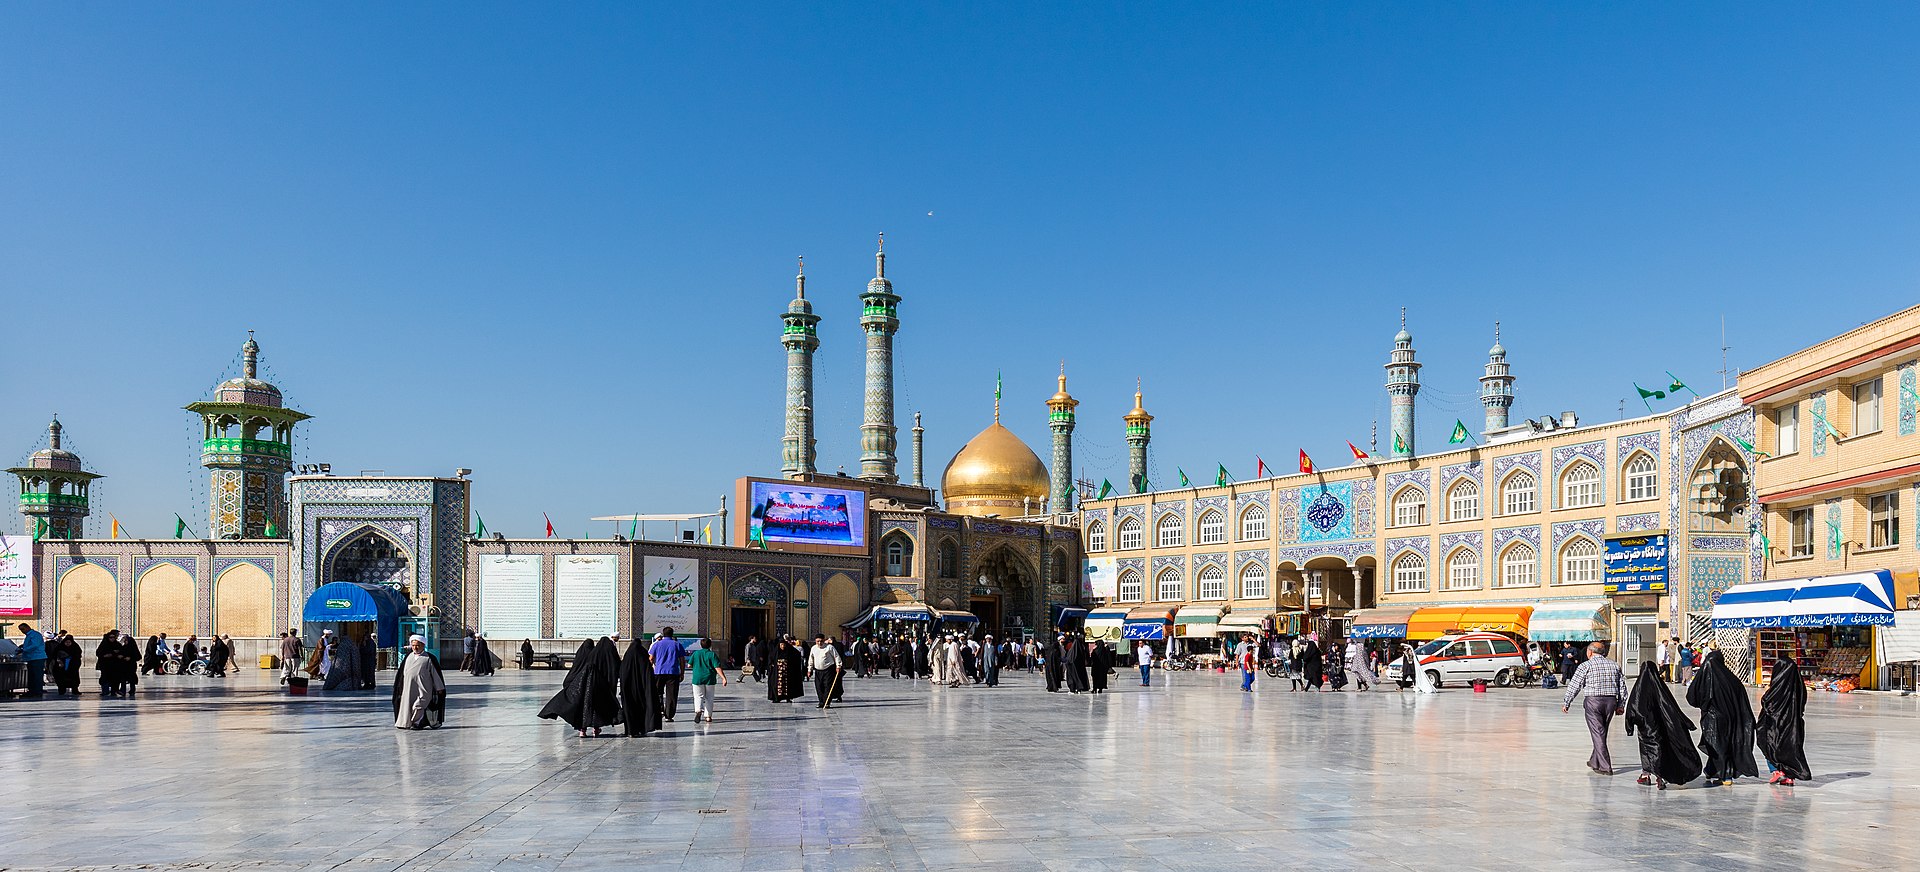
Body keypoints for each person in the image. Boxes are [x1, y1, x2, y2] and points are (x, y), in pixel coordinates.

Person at [1624, 660, 1701, 789]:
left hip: (1645, 728)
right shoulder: (1661, 688)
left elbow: (1633, 707)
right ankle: (1659, 776)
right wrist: (1686, 722)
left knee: (1647, 750)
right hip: (1661, 726)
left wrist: (1630, 726)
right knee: (1659, 748)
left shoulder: (1639, 688)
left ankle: (1646, 774)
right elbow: (1672, 707)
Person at [1687, 649, 1758, 786]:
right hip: (1731, 719)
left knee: (1718, 746)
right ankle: (1711, 770)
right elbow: (1741, 701)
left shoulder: (1705, 678)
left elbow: (1692, 697)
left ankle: (1726, 775)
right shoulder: (1732, 680)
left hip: (1712, 719)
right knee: (1720, 745)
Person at [1561, 641, 1627, 775]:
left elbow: (1575, 685)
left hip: (1593, 702)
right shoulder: (1614, 665)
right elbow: (1622, 687)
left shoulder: (1585, 665)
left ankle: (1605, 766)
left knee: (1598, 733)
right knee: (1601, 732)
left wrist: (1567, 702)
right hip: (1610, 701)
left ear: (1589, 652)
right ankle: (1594, 761)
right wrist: (1621, 705)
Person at [1756, 658, 1810, 786]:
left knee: (1769, 744)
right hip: (1794, 724)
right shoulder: (1799, 686)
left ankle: (1776, 771)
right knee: (1790, 749)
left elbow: (1767, 702)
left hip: (1775, 723)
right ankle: (1789, 776)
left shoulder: (1777, 686)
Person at [392, 635, 446, 730]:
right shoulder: (408, 657)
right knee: (407, 705)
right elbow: (401, 674)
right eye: (413, 645)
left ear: (423, 645)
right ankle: (406, 723)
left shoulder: (429, 658)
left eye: (417, 645)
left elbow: (435, 674)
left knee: (419, 704)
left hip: (424, 688)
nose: (415, 648)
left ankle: (416, 722)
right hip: (409, 687)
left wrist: (439, 688)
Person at [619, 637, 660, 737]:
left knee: (629, 709)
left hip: (629, 690)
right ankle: (642, 728)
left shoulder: (628, 656)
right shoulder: (642, 654)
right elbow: (648, 672)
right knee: (641, 708)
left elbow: (623, 673)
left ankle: (630, 730)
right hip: (642, 690)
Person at [684, 637, 728, 723]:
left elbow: (689, 665)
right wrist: (723, 678)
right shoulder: (712, 654)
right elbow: (717, 667)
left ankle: (698, 710)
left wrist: (697, 666)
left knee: (698, 696)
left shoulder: (696, 653)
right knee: (709, 697)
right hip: (709, 678)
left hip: (697, 678)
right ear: (710, 645)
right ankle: (708, 716)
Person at [649, 629, 686, 722]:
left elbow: (651, 658)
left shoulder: (656, 644)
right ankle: (669, 715)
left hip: (659, 672)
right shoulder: (677, 644)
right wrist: (682, 672)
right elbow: (682, 660)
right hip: (673, 672)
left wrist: (649, 671)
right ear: (672, 634)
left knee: (657, 693)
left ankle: (659, 710)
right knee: (672, 694)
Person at [807, 635, 843, 708]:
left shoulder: (829, 647)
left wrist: (838, 666)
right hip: (818, 670)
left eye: (821, 641)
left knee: (827, 686)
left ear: (824, 640)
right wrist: (809, 669)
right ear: (815, 641)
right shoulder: (813, 648)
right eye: (818, 641)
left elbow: (836, 656)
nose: (820, 643)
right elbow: (811, 659)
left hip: (828, 670)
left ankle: (827, 702)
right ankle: (821, 701)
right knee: (819, 687)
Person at [768, 637, 805, 703]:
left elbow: (796, 654)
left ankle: (788, 698)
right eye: (781, 645)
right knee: (777, 685)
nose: (783, 646)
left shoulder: (789, 651)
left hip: (787, 672)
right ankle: (777, 698)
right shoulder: (776, 652)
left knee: (787, 685)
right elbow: (771, 660)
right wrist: (772, 665)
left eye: (784, 645)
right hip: (778, 672)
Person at [15, 624, 46, 698]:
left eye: (23, 629)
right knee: (32, 676)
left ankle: (37, 691)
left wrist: (24, 649)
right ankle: (32, 691)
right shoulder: (30, 635)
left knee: (37, 675)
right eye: (20, 630)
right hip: (31, 658)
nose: (22, 631)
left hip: (37, 657)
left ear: (27, 627)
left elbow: (34, 645)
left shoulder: (35, 635)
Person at [49, 632, 83, 696]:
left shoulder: (75, 647)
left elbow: (78, 656)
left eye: (69, 642)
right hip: (61, 666)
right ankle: (62, 690)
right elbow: (55, 655)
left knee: (73, 679)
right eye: (66, 642)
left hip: (72, 667)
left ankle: (75, 690)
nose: (68, 644)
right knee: (61, 679)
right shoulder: (59, 647)